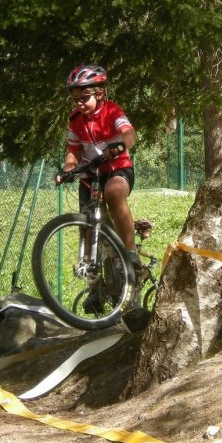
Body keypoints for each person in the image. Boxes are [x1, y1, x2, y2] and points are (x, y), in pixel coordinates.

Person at [57, 64, 141, 308]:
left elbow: (129, 133)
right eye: (75, 99)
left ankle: (130, 253)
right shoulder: (75, 120)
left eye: (85, 98)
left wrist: (120, 145)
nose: (80, 104)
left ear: (100, 93)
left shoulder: (112, 111)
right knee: (86, 225)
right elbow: (73, 150)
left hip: (116, 168)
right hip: (90, 175)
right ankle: (94, 285)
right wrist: (68, 168)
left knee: (114, 193)